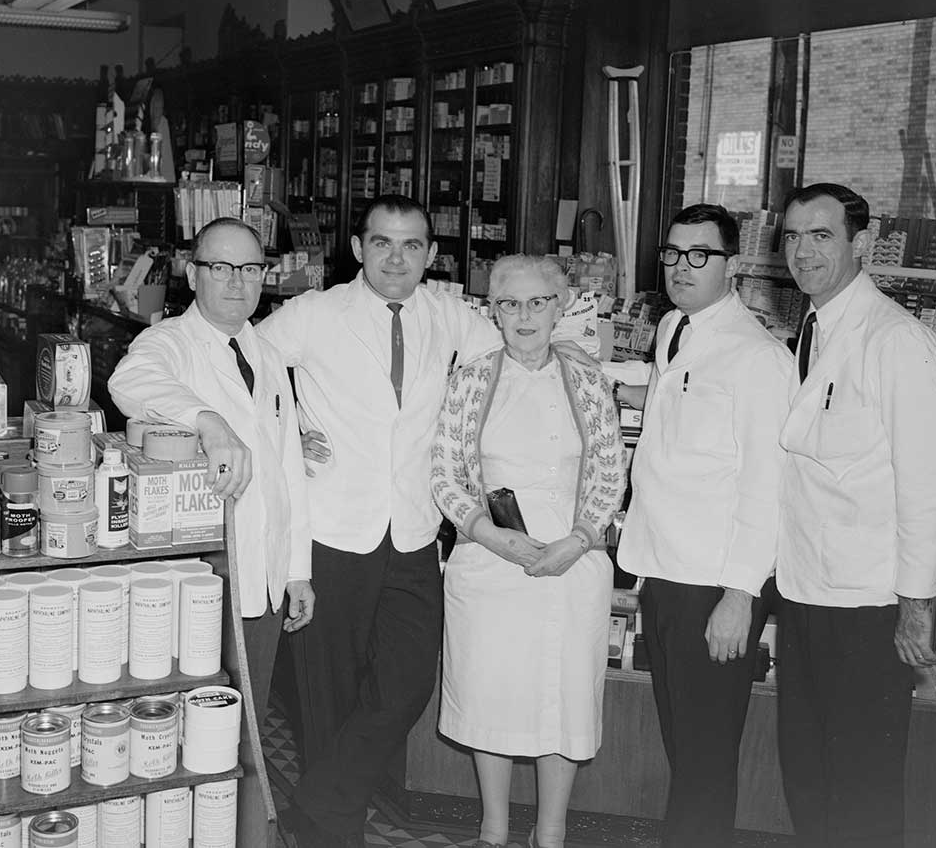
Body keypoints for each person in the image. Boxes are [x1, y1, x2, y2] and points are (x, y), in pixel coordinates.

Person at [258, 196, 595, 848]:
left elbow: (525, 341)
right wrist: (283, 432)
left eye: (412, 245)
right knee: (327, 700)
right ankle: (334, 833)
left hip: (415, 530)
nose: (395, 257)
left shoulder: (452, 315)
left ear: (432, 256)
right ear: (357, 248)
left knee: (408, 684)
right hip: (331, 531)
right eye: (382, 242)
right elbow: (246, 370)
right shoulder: (313, 314)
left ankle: (317, 801)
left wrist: (582, 358)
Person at [776, 182, 936, 848]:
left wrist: (918, 600)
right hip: (804, 591)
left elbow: (934, 481)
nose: (802, 250)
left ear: (861, 243)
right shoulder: (815, 326)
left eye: (820, 235)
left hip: (867, 603)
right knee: (807, 771)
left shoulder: (895, 339)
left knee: (860, 785)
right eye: (793, 235)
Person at [430, 254, 625, 848]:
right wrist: (490, 535)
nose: (524, 315)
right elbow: (443, 472)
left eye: (538, 301)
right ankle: (493, 831)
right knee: (491, 695)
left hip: (571, 562)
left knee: (560, 702)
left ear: (560, 306)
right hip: (490, 562)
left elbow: (610, 473)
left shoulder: (589, 379)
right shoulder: (472, 378)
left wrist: (578, 541)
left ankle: (552, 833)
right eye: (509, 303)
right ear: (491, 311)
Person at [618, 204, 791, 848]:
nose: (681, 267)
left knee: (706, 754)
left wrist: (740, 596)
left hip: (714, 587)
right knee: (683, 746)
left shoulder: (757, 357)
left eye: (700, 256)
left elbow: (766, 486)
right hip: (664, 571)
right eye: (672, 253)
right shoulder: (673, 327)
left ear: (733, 266)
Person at [107, 217, 314, 730]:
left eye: (249, 268)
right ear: (192, 273)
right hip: (205, 571)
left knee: (248, 727)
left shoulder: (265, 352)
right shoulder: (171, 341)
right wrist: (209, 421)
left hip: (265, 569)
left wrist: (297, 571)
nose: (236, 282)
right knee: (189, 717)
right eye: (220, 267)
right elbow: (128, 381)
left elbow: (288, 467)